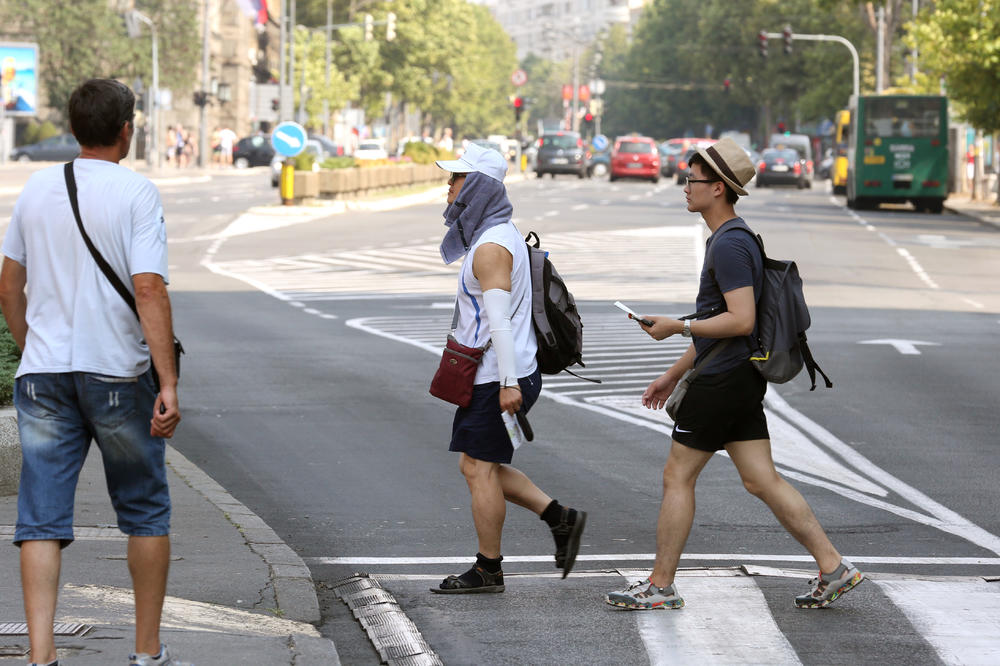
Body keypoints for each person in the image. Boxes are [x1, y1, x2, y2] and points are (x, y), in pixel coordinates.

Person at [604, 137, 863, 611]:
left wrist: (678, 327)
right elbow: (722, 327)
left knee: (677, 477)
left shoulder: (728, 245)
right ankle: (834, 567)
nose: (685, 186)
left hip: (723, 381)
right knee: (761, 479)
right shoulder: (732, 239)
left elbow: (740, 320)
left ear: (718, 188)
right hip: (738, 376)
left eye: (692, 180)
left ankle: (660, 585)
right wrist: (673, 372)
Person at [0, 79, 187, 666]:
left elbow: (9, 283)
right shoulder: (137, 193)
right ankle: (146, 654)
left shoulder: (34, 188)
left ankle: (40, 656)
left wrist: (32, 347)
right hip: (116, 376)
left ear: (74, 126)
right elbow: (149, 288)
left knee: (40, 519)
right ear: (126, 128)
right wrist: (169, 382)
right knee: (144, 512)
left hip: (44, 376)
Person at [429, 142, 586, 594]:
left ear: (476, 187)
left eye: (456, 179)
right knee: (483, 466)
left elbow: (498, 322)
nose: (449, 188)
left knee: (479, 469)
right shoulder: (498, 234)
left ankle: (488, 569)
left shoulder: (491, 247)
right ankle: (561, 519)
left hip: (498, 376)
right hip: (502, 373)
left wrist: (508, 383)